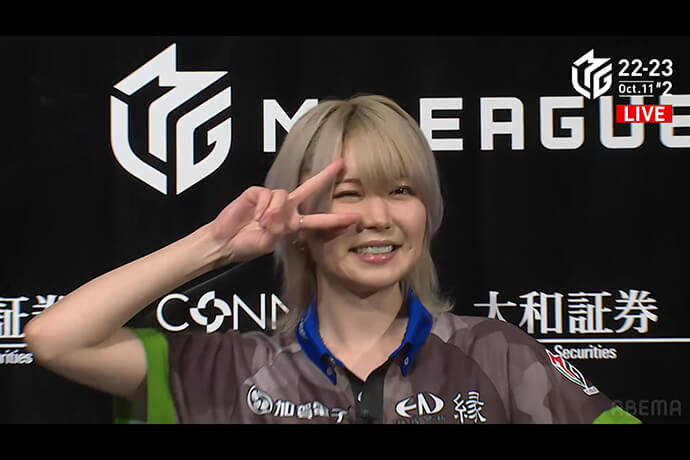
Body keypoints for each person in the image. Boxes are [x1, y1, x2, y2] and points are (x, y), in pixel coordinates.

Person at [24, 94, 640, 424]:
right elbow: (55, 339)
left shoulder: (498, 356)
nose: (378, 217)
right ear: (298, 219)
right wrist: (218, 245)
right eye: (347, 195)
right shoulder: (222, 369)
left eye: (401, 191)